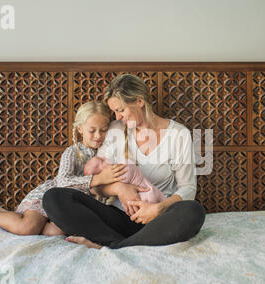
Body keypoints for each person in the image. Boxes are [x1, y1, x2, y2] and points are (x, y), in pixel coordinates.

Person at [42, 74, 206, 249]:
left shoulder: (178, 134)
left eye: (120, 110)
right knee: (54, 197)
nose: (117, 117)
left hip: (158, 221)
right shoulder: (115, 130)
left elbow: (188, 187)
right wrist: (120, 189)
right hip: (117, 217)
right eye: (114, 112)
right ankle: (120, 243)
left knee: (194, 211)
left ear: (140, 101)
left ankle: (113, 245)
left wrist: (158, 209)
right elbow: (97, 185)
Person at [0, 102, 128, 236]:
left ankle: (5, 213)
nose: (98, 136)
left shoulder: (109, 154)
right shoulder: (72, 152)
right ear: (80, 129)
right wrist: (97, 179)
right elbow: (63, 182)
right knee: (28, 227)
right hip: (48, 197)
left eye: (104, 130)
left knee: (56, 233)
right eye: (92, 130)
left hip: (70, 208)